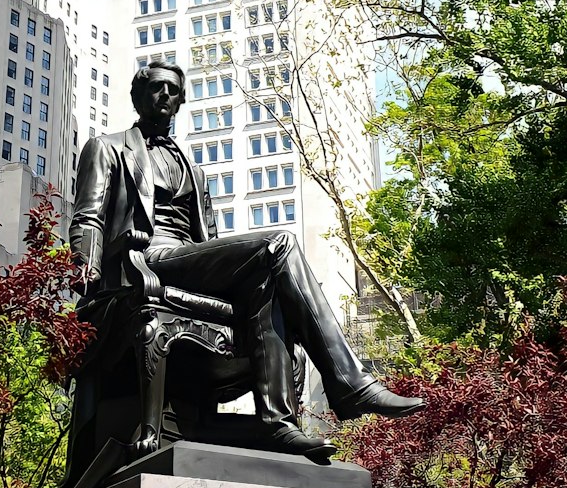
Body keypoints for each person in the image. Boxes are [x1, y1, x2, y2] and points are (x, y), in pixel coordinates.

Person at [69, 62, 423, 463]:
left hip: (189, 259)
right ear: (139, 96)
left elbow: (210, 239)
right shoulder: (108, 147)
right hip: (148, 256)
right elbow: (88, 216)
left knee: (265, 285)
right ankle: (350, 383)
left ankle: (278, 423)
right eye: (156, 88)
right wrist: (87, 267)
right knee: (280, 243)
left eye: (173, 89)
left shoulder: (195, 170)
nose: (165, 94)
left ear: (182, 100)